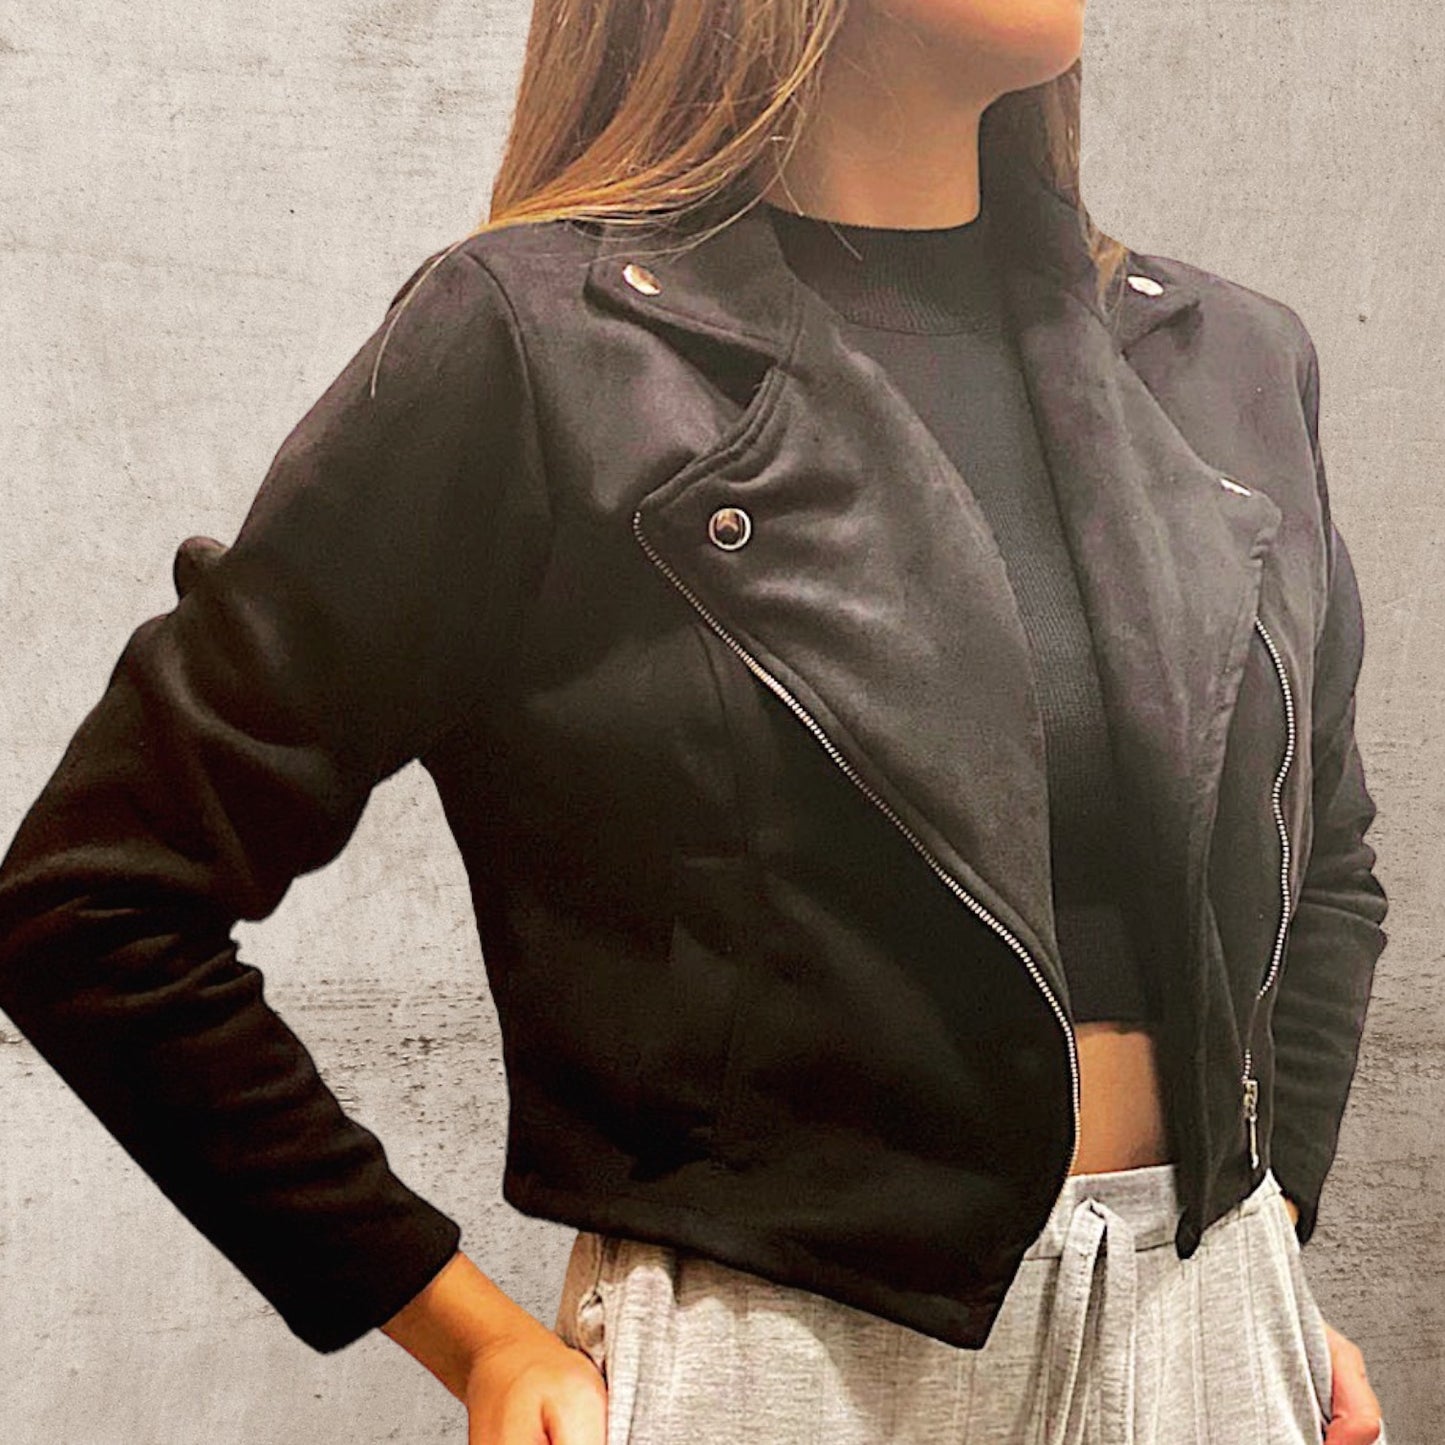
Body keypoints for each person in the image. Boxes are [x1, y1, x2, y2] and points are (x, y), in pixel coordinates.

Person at [0, 0, 1392, 1442]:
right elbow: (96, 903)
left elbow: (1325, 857)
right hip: (786, 1357)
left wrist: (1257, 1245)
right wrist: (471, 1337)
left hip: (1204, 1329)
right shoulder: (547, 349)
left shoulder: (1219, 361)